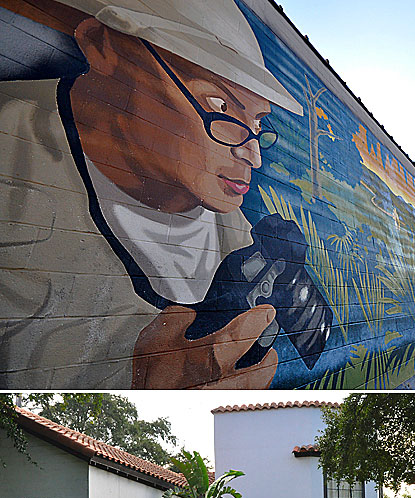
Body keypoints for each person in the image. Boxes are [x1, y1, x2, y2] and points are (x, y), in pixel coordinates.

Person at [0, 0, 306, 388]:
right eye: (220, 106)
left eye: (258, 123)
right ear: (104, 46)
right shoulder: (14, 155)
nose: (253, 154)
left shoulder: (233, 228)